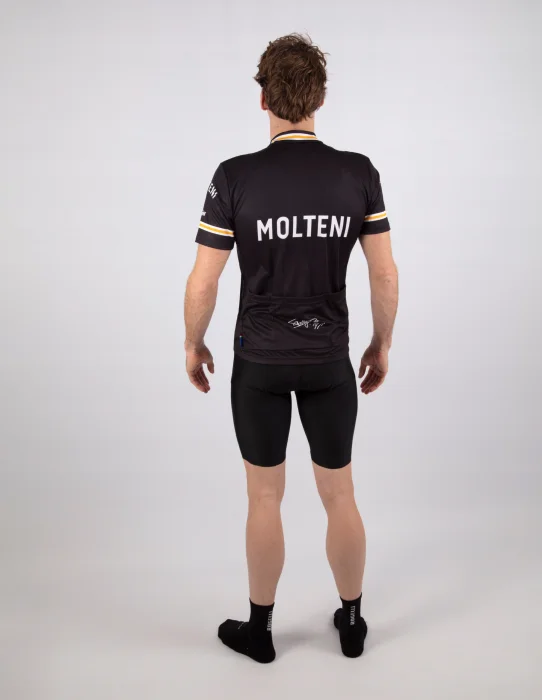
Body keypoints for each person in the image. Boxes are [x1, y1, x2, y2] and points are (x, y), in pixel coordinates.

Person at [184, 34, 398, 663]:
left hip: (260, 363)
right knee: (340, 494)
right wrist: (381, 344)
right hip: (330, 360)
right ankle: (352, 623)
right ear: (320, 99)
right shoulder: (358, 174)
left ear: (263, 99)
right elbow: (384, 275)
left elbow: (203, 281)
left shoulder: (235, 176)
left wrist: (193, 342)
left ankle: (260, 632)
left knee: (263, 497)